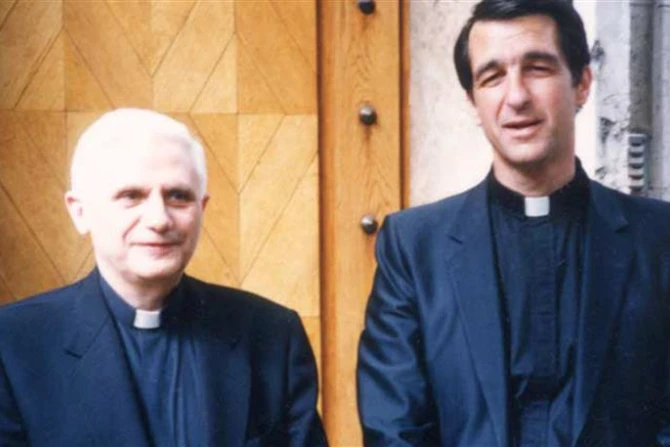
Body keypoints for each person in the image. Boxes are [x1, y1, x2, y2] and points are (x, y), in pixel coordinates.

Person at [357, 0, 670, 446]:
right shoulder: (412, 248)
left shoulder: (659, 238)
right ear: (473, 101)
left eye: (537, 68)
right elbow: (395, 429)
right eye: (492, 77)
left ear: (582, 83)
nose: (517, 96)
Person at [0, 108, 328, 447]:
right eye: (131, 196)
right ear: (80, 212)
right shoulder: (12, 346)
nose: (159, 219)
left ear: (202, 209)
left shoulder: (272, 335)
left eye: (178, 196)